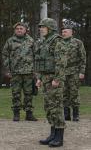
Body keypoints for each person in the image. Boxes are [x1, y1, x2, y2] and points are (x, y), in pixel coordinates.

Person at [35, 18, 67, 147]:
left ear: (50, 28)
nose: (41, 29)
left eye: (43, 27)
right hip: (46, 79)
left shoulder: (57, 42)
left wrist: (57, 79)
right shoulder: (45, 42)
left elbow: (61, 62)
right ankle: (53, 134)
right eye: (40, 26)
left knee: (56, 107)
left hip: (54, 79)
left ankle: (59, 137)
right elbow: (41, 62)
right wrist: (39, 78)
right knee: (49, 107)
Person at [2, 22, 37, 121]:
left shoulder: (31, 41)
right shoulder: (10, 41)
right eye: (17, 28)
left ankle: (29, 114)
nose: (19, 30)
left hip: (28, 72)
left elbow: (36, 56)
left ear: (25, 30)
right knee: (16, 93)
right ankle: (16, 113)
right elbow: (5, 55)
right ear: (15, 30)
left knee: (29, 93)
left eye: (21, 28)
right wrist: (8, 69)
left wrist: (35, 71)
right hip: (15, 72)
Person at [61, 24, 86, 121]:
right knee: (64, 94)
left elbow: (82, 58)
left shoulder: (77, 43)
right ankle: (66, 115)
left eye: (65, 31)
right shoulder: (59, 43)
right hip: (62, 72)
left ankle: (76, 115)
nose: (63, 33)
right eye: (62, 32)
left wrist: (82, 71)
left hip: (74, 72)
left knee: (74, 93)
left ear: (71, 33)